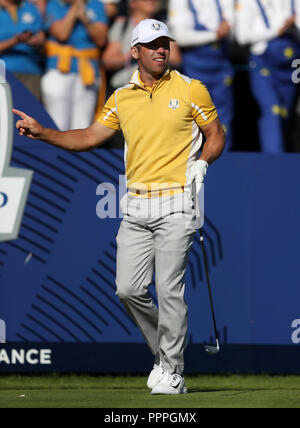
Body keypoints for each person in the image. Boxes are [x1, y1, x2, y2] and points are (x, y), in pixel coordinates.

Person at [13, 19, 225, 395]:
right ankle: (163, 357)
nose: (161, 50)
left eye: (165, 44)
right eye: (152, 45)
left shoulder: (192, 89)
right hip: (136, 207)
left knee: (169, 289)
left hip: (178, 202)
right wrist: (43, 133)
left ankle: (173, 370)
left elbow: (215, 135)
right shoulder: (121, 97)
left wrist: (203, 162)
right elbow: (90, 137)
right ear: (134, 52)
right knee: (127, 290)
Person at [168, 0, 235, 150]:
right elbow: (180, 36)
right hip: (193, 66)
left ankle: (223, 161)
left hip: (221, 65)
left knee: (223, 121)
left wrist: (227, 30)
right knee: (190, 122)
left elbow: (236, 33)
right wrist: (215, 34)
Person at [235, 0, 300, 153]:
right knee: (272, 111)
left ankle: (282, 160)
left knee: (286, 115)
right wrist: (278, 30)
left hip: (292, 65)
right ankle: (274, 161)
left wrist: (292, 26)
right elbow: (242, 37)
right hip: (263, 63)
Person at [41, 0, 108, 131]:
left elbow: (101, 39)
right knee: (57, 123)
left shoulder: (96, 5)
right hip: (58, 69)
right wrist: (74, 9)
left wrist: (84, 17)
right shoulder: (54, 4)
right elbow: (62, 34)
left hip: (87, 71)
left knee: (83, 124)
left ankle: (79, 153)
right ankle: (57, 152)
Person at [102, 0, 181, 91]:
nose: (151, 1)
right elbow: (107, 61)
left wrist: (154, 55)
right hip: (125, 87)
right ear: (132, 3)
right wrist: (134, 55)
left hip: (158, 88)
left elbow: (176, 59)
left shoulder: (163, 26)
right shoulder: (123, 24)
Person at [0, 0, 45, 100]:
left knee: (29, 112)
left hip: (31, 71)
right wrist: (14, 41)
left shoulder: (30, 8)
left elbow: (41, 37)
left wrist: (37, 41)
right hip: (4, 72)